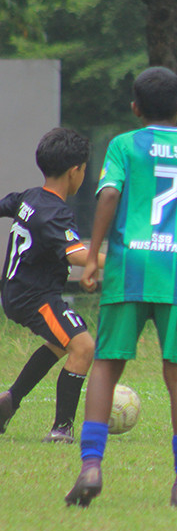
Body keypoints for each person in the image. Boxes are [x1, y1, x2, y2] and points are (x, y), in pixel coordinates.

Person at [65, 66, 177, 509]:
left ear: (135, 108)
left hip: (129, 266)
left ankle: (91, 466)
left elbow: (108, 196)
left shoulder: (124, 145)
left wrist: (93, 254)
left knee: (106, 365)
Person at [0, 128, 106, 443]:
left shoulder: (30, 197)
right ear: (75, 171)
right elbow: (78, 256)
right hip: (35, 297)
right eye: (84, 170)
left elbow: (6, 206)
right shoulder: (56, 213)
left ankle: (9, 402)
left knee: (63, 342)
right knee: (83, 346)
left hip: (18, 292)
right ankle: (61, 430)